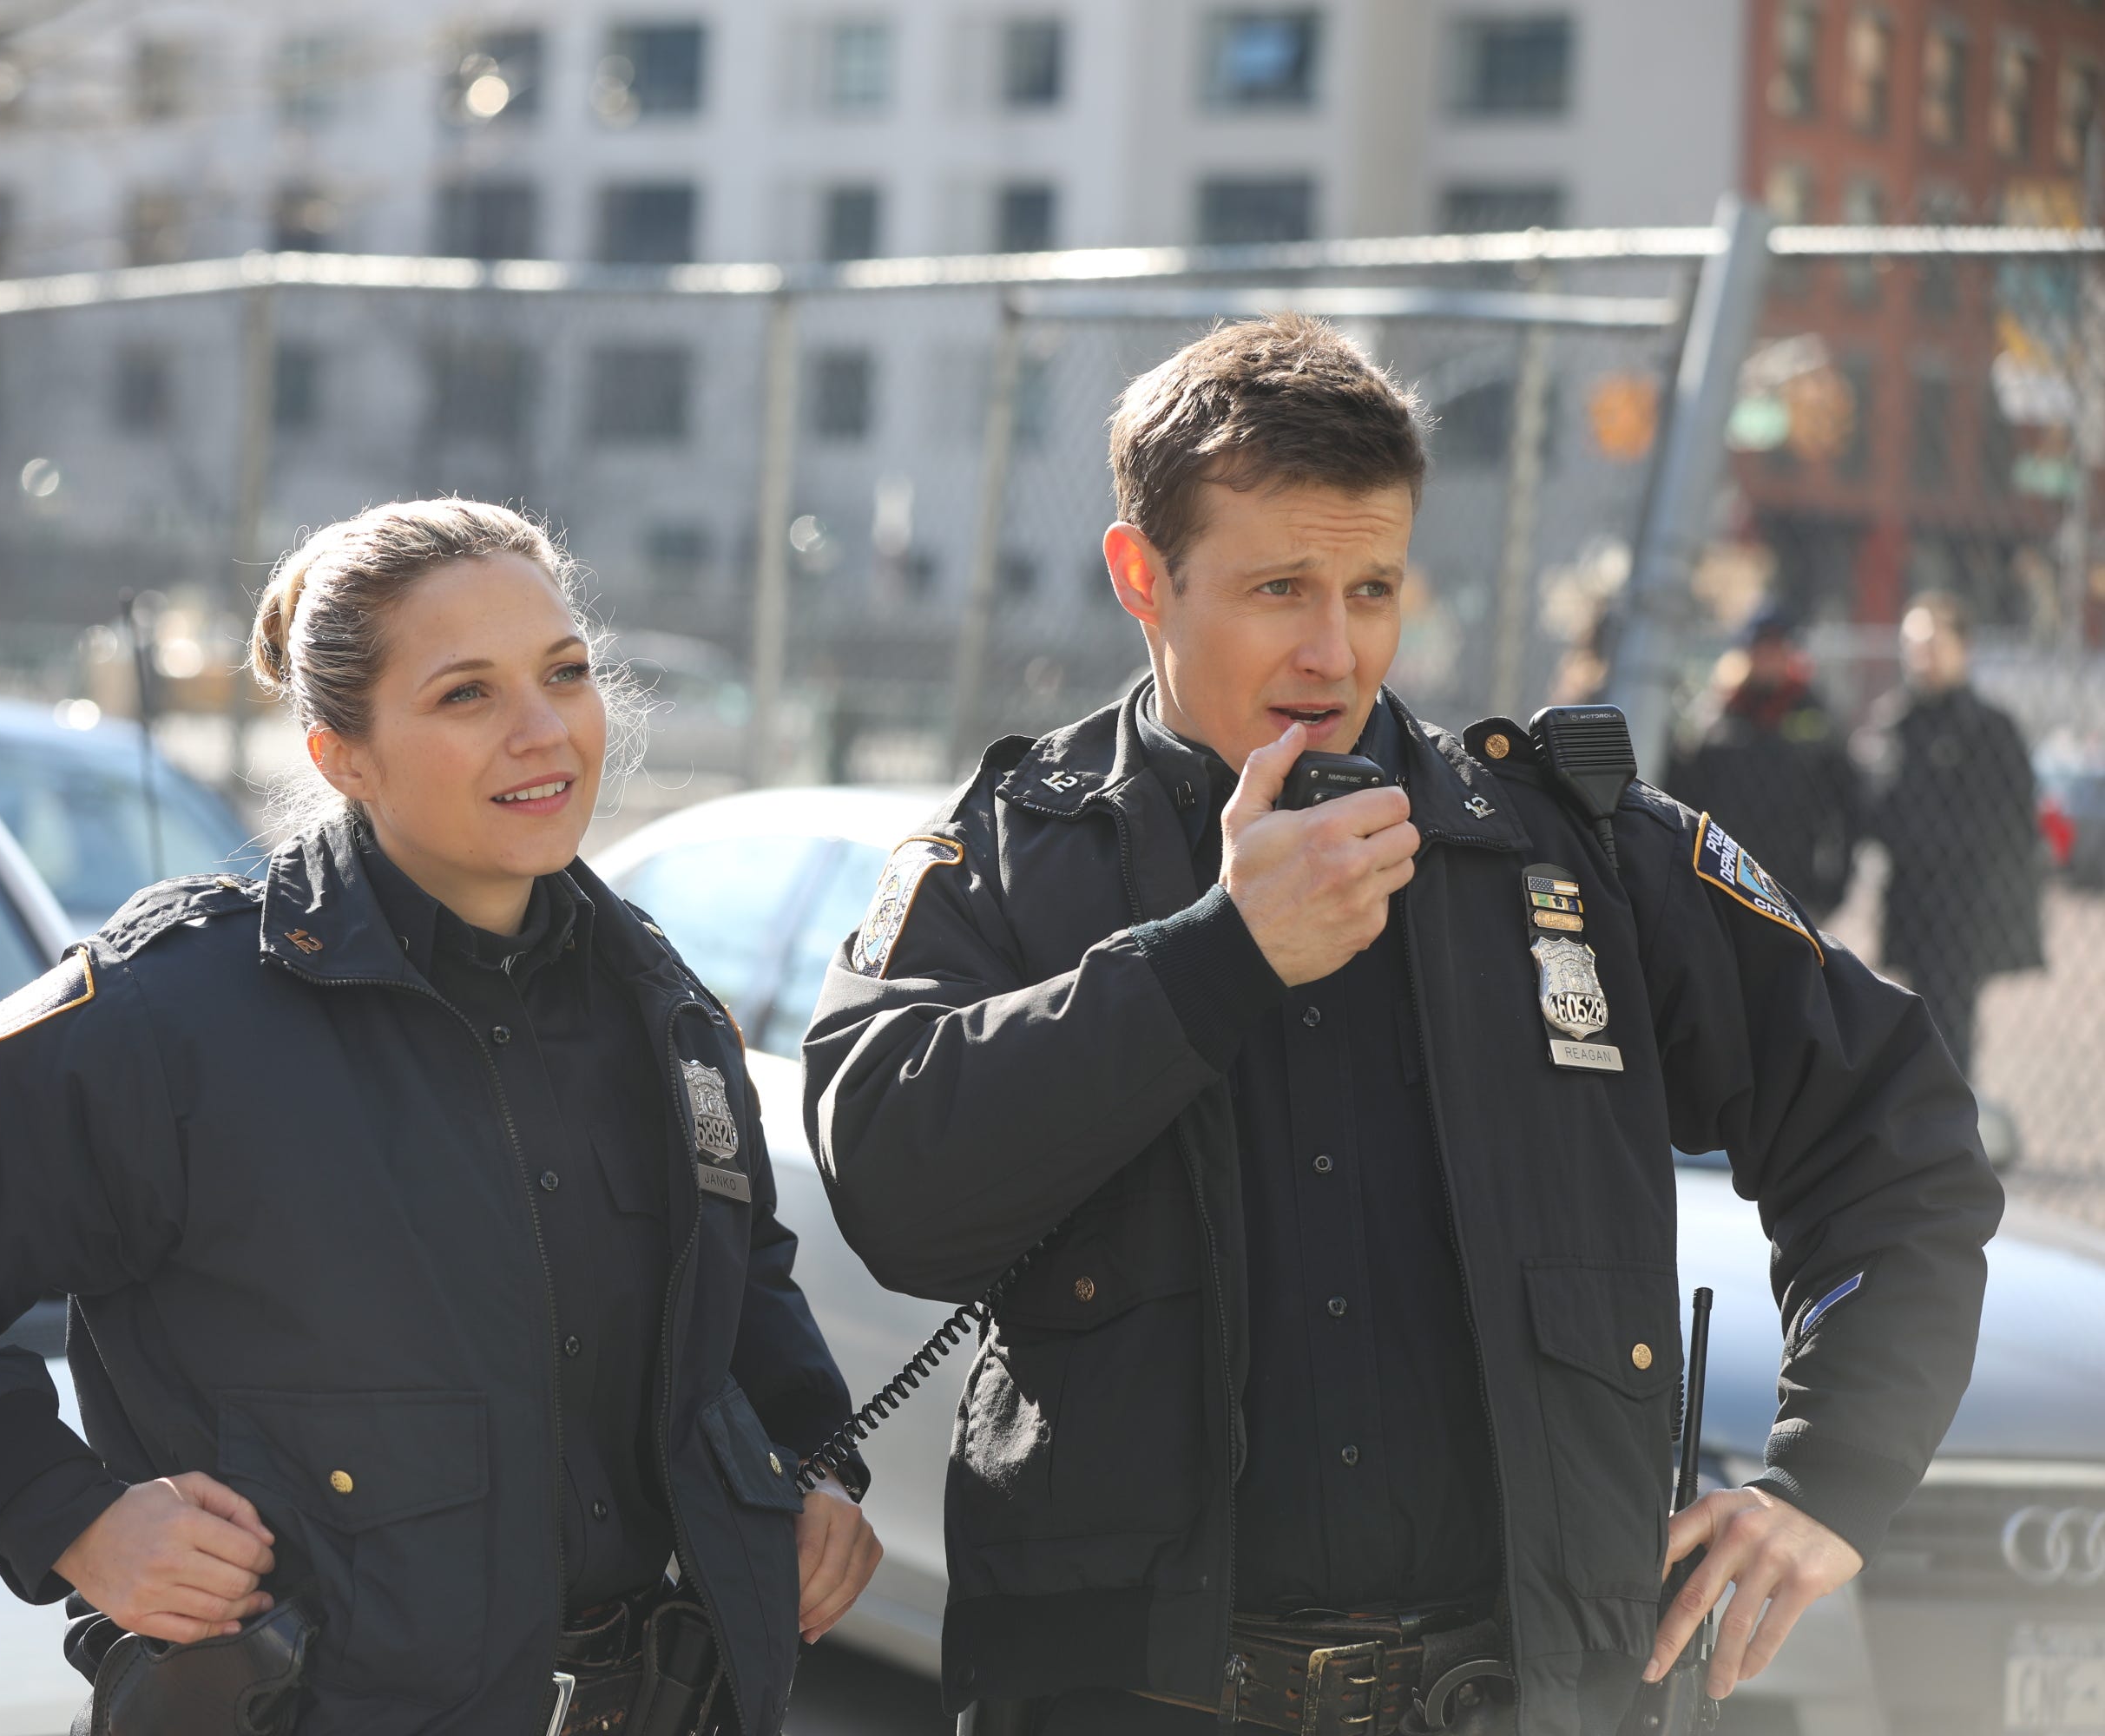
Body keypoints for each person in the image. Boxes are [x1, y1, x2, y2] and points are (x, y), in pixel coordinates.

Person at [801, 318, 2000, 1736]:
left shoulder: (1577, 855)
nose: (1334, 648)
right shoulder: (1013, 857)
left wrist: (1829, 1479)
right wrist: (1213, 960)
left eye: (1372, 587)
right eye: (1279, 587)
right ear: (1143, 578)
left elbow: (1900, 1147)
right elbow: (890, 1183)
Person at [0, 499, 879, 1736]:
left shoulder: (660, 1003)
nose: (544, 732)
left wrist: (813, 1464)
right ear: (340, 756)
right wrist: (70, 1518)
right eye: (466, 695)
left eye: (564, 674)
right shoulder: (176, 1014)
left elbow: (737, 1283)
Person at [1857, 590, 2045, 1077]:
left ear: (1964, 648)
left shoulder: (1991, 729)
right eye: (1913, 646)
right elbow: (1874, 810)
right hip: (1911, 898)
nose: (1922, 659)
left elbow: (2015, 824)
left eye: (1934, 645)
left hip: (1968, 902)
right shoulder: (1893, 724)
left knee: (1951, 1027)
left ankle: (1949, 1129)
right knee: (1912, 1017)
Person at [1663, 606, 1858, 920]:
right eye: (1760, 649)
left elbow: (1847, 804)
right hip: (1721, 879)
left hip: (1793, 884)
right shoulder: (1717, 716)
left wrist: (1835, 882)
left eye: (1777, 648)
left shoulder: (1816, 715)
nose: (1768, 658)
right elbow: (1684, 798)